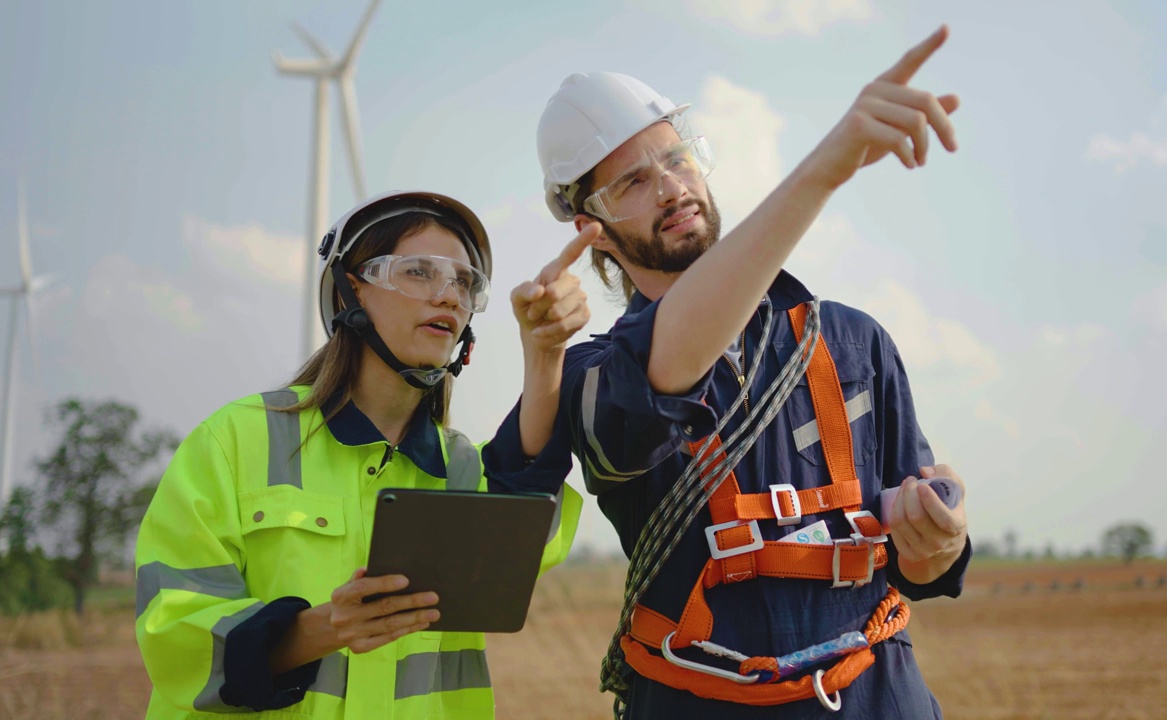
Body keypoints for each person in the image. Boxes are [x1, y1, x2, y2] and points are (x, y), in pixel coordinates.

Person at [502, 26, 972, 719]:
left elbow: (921, 563)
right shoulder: (587, 376)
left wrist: (939, 538)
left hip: (880, 699)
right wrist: (824, 168)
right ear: (588, 225)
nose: (672, 188)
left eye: (677, 159)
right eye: (634, 179)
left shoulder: (851, 339)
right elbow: (666, 366)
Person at [135, 190, 599, 719]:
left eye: (463, 282)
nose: (448, 295)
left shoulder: (462, 470)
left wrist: (546, 352)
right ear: (348, 291)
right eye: (419, 271)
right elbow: (170, 629)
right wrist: (322, 628)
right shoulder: (233, 442)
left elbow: (525, 507)